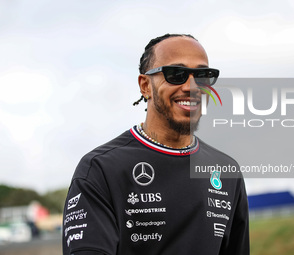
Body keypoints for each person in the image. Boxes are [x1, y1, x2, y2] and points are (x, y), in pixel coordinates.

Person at [62, 33, 249, 255]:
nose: (191, 87)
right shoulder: (100, 169)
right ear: (145, 86)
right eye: (176, 74)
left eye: (202, 75)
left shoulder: (226, 171)